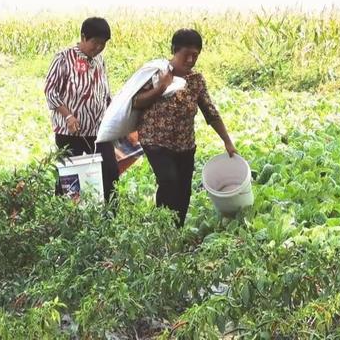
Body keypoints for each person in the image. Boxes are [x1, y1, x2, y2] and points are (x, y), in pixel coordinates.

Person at [133, 29, 237, 227]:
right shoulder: (157, 73)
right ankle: (162, 229)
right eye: (186, 55)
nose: (190, 60)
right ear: (174, 50)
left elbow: (210, 112)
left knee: (183, 190)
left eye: (195, 55)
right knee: (169, 182)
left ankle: (176, 230)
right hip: (155, 141)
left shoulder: (196, 80)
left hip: (185, 144)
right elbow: (136, 102)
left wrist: (227, 141)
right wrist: (161, 88)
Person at [44, 17, 119, 201]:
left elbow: (105, 92)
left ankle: (108, 215)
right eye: (95, 42)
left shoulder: (100, 60)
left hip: (98, 131)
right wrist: (68, 116)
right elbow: (51, 91)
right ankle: (64, 216)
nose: (99, 47)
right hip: (70, 131)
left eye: (103, 44)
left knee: (109, 172)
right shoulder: (64, 57)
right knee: (70, 179)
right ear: (83, 37)